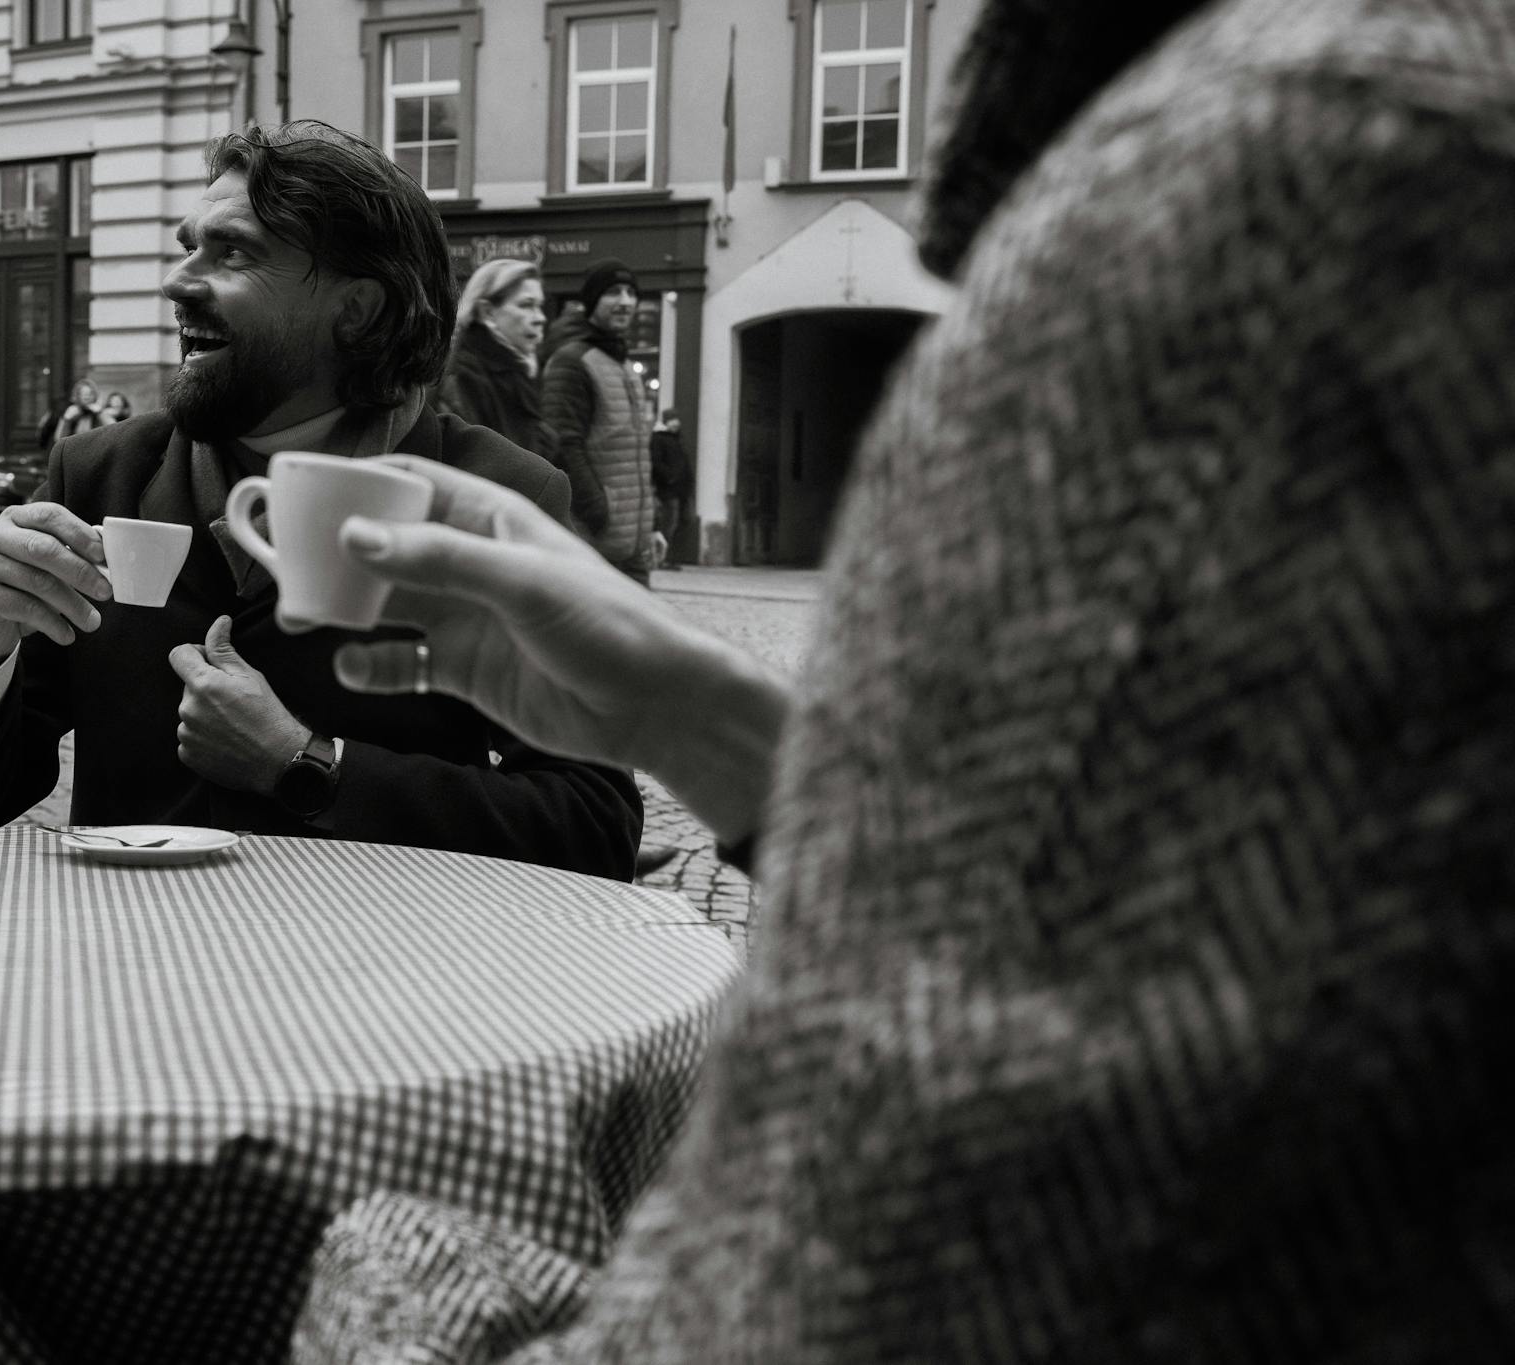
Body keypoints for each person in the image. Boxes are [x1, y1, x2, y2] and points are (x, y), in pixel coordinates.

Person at [291, 0, 1515, 1358]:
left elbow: (880, 1283)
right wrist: (703, 721)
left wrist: (378, 1271)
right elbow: (1126, 899)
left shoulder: (1286, 177)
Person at [0, 121, 641, 879]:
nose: (178, 281)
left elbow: (592, 820)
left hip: (386, 983)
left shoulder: (502, 499)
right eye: (189, 245)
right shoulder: (97, 474)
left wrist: (306, 763)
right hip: (132, 975)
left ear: (358, 310)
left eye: (233, 252)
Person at [540, 258, 655, 585]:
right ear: (592, 302)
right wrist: (599, 512)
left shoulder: (622, 362)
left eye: (631, 293)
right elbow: (563, 443)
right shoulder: (572, 360)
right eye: (613, 292)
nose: (625, 302)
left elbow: (634, 451)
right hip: (594, 541)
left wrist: (649, 523)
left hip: (631, 544)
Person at [436, 258, 550, 460]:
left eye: (539, 306)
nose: (540, 317)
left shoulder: (517, 371)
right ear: (487, 312)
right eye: (526, 305)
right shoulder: (465, 376)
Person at [648, 406, 688, 567]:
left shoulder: (675, 438)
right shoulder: (659, 438)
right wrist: (669, 477)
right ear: (666, 421)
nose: (676, 423)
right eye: (673, 420)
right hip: (665, 489)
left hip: (676, 488)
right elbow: (656, 462)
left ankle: (665, 557)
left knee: (674, 522)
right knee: (667, 523)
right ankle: (660, 558)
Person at [36, 377, 102, 451]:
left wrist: (101, 414)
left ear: (94, 396)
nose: (86, 397)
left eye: (90, 394)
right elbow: (58, 438)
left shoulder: (97, 412)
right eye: (83, 393)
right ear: (77, 395)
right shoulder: (66, 410)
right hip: (67, 451)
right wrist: (67, 419)